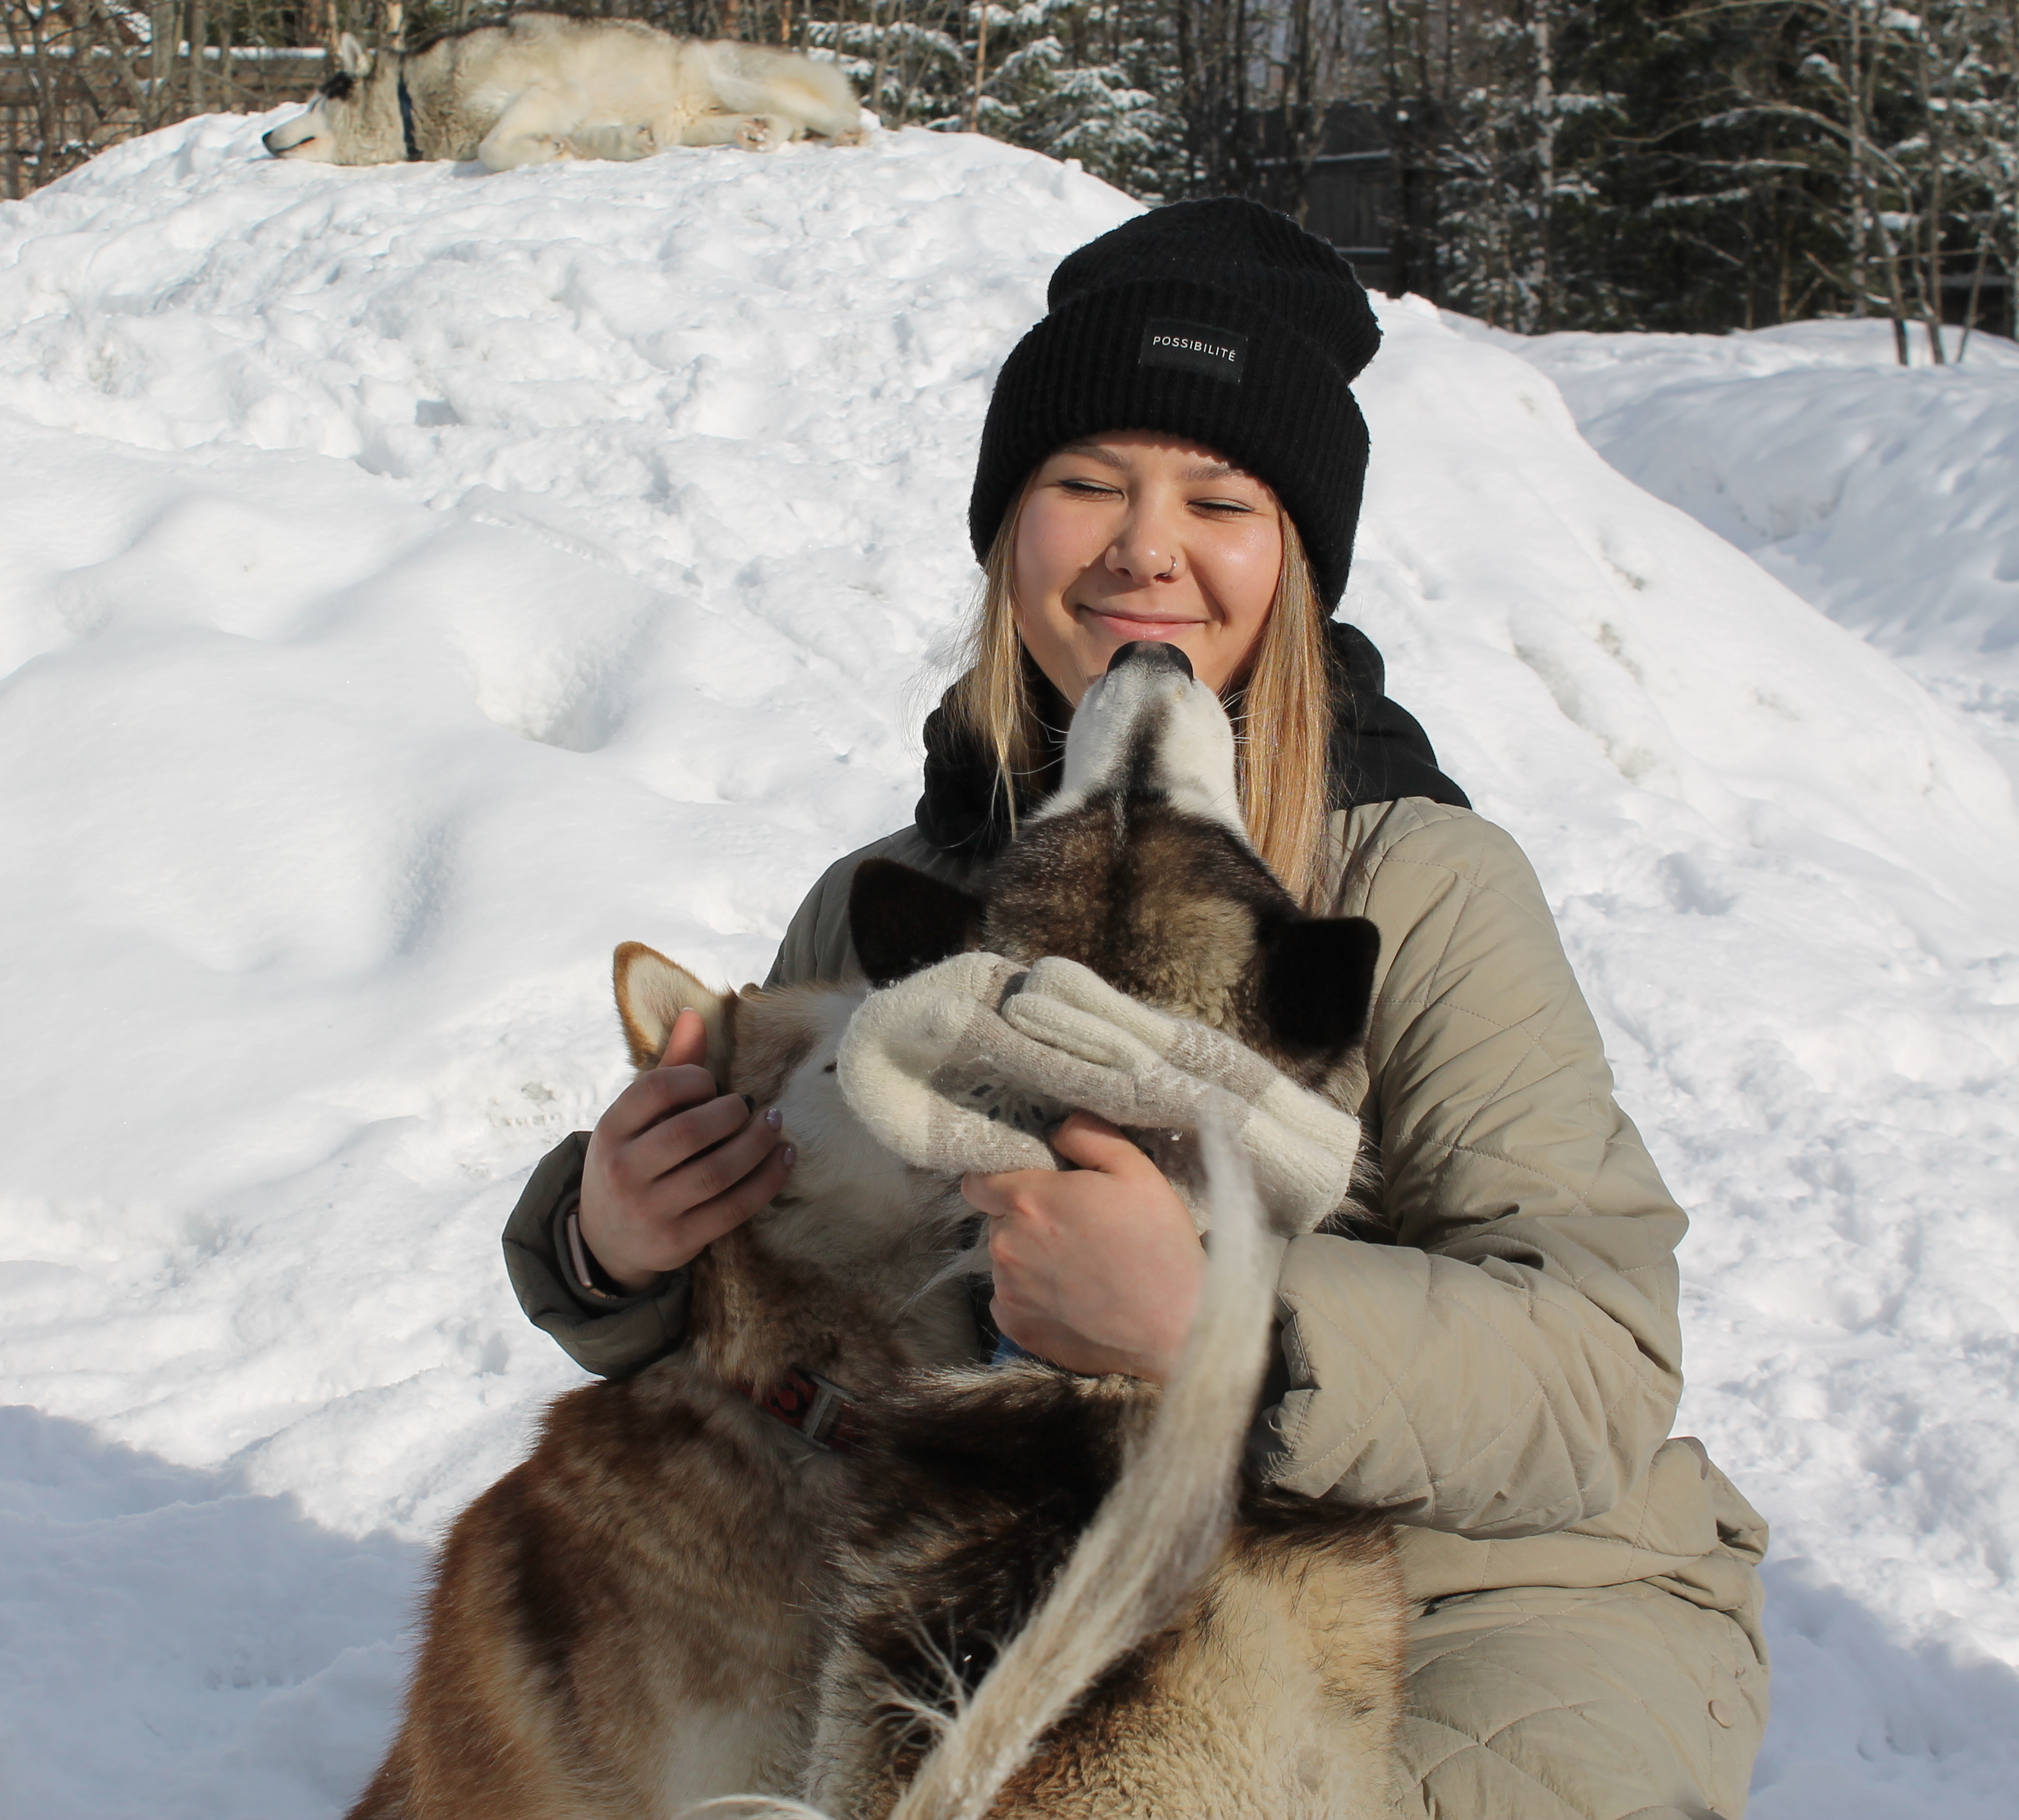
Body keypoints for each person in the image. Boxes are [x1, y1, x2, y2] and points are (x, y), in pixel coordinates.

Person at [500, 198, 1771, 1820]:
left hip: (1476, 1578)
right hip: (1025, 1559)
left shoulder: (1424, 883)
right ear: (1008, 533)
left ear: (1295, 561)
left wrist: (1220, 1321)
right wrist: (617, 1242)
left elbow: (1596, 1360)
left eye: (1220, 499)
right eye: (1085, 482)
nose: (1143, 546)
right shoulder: (891, 900)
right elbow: (786, 1305)